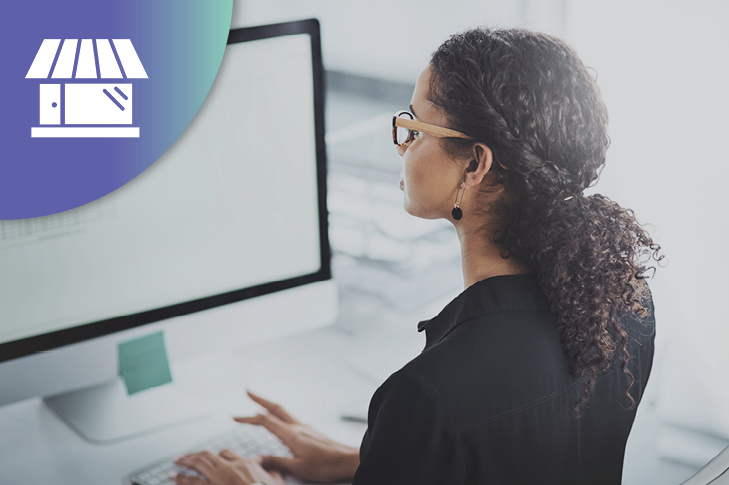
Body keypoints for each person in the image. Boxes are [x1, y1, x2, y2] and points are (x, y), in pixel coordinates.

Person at [170, 27, 660, 485]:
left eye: (414, 128)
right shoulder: (625, 307)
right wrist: (365, 461)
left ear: (474, 164)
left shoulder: (428, 396)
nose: (402, 145)